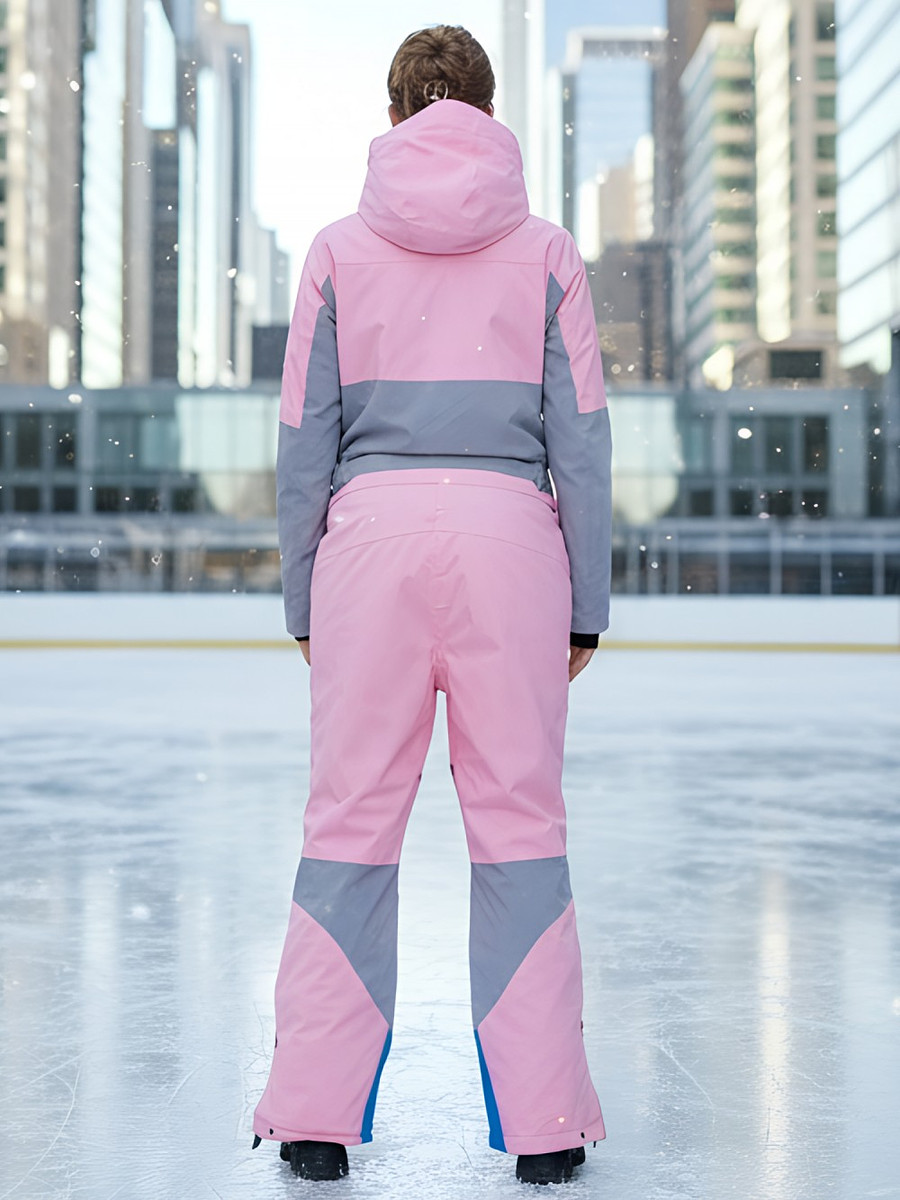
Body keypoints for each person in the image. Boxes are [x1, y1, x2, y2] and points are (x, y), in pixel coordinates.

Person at [251, 24, 612, 1187]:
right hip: (512, 546)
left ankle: (314, 1119)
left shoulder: (336, 252)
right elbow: (583, 442)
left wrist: (305, 597)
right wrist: (586, 606)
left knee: (349, 826)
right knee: (522, 833)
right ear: (490, 110)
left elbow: (303, 442)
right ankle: (546, 1130)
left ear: (395, 109)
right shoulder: (548, 253)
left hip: (370, 546)